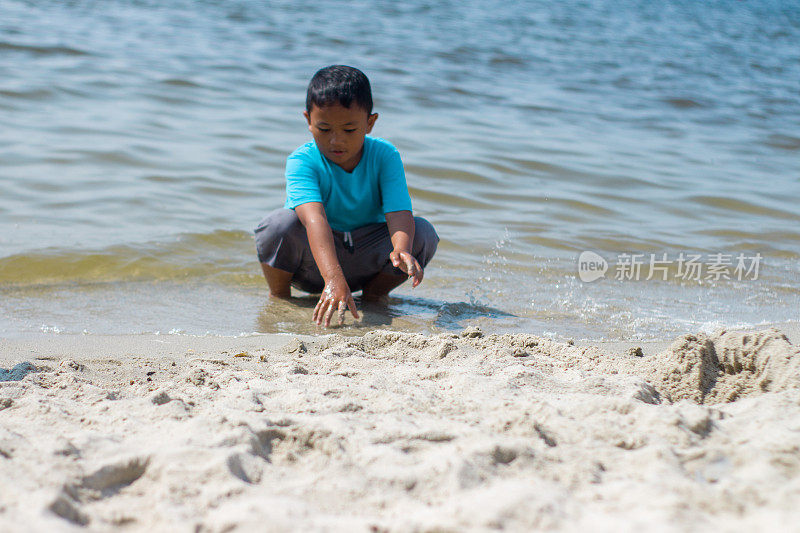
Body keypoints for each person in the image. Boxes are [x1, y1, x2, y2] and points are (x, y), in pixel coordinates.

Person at [254, 65, 439, 327]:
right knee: (277, 225)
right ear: (308, 121)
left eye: (349, 130)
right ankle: (280, 299)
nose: (336, 141)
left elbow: (398, 211)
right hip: (314, 266)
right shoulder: (302, 161)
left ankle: (374, 299)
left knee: (422, 233)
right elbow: (314, 220)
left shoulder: (385, 156)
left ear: (370, 123)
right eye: (324, 129)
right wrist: (332, 277)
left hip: (366, 260)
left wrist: (401, 249)